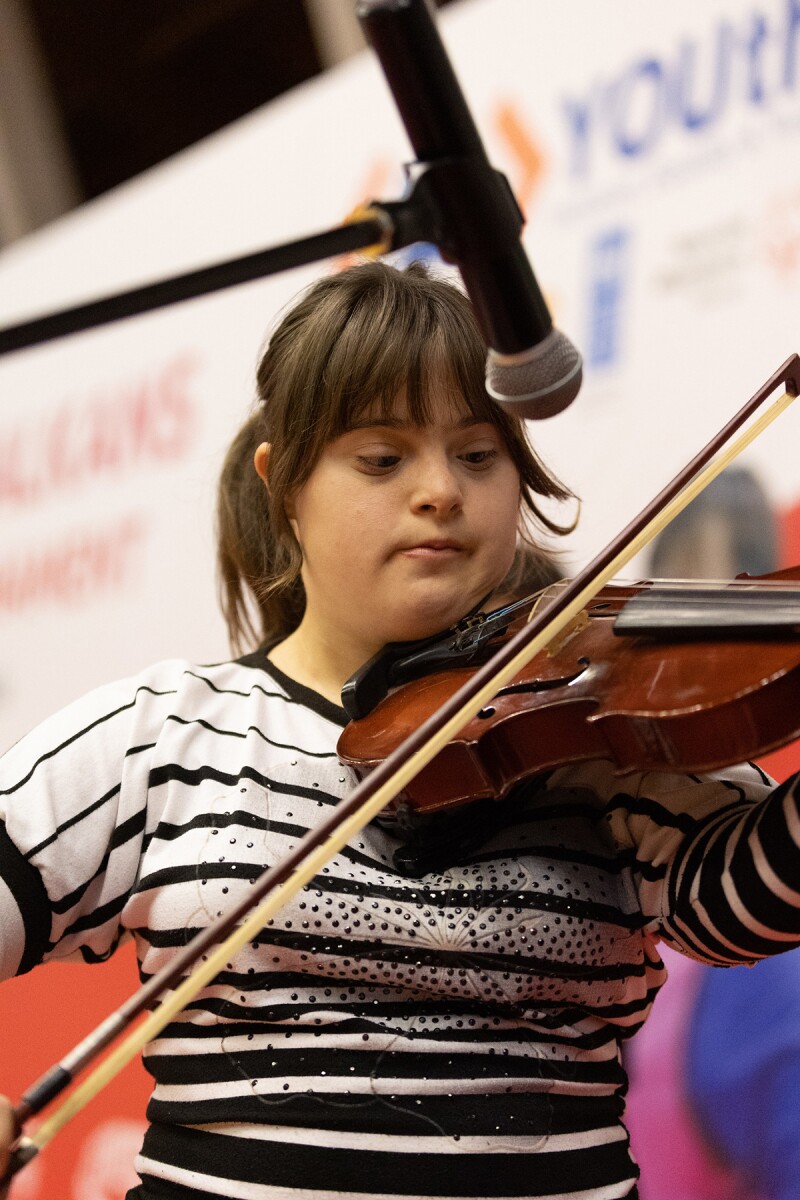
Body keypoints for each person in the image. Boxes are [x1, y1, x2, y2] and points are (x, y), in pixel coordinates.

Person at [0, 260, 799, 1200]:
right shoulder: (164, 737)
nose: (440, 491)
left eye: (478, 455)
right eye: (382, 460)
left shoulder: (592, 743)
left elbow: (744, 906)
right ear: (284, 485)